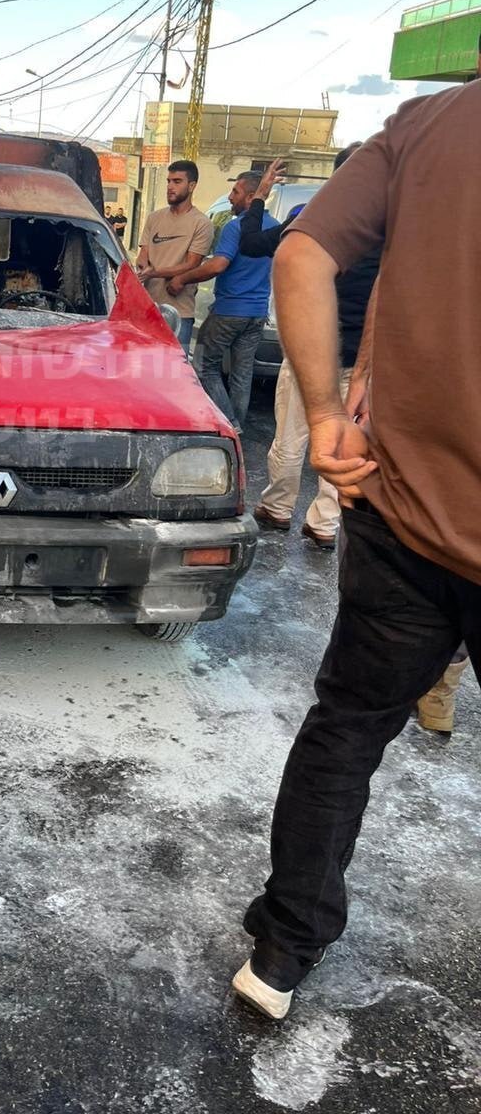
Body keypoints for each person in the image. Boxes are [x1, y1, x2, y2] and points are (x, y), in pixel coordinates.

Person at [231, 82, 481, 1022]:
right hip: (406, 512)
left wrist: (329, 412)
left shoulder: (428, 126)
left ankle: (283, 950)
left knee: (345, 730)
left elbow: (304, 253)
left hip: (404, 514)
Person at [250, 148, 379, 550]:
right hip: (361, 359)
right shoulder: (393, 232)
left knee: (291, 438)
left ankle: (277, 507)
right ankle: (324, 525)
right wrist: (366, 372)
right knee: (342, 444)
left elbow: (254, 244)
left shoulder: (310, 222)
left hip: (312, 357)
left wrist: (261, 196)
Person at [170, 171, 277, 429]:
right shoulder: (275, 226)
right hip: (257, 313)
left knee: (204, 364)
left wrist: (182, 279)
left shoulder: (236, 226)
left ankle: (229, 423)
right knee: (242, 373)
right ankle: (236, 427)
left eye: (236, 192)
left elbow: (218, 265)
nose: (230, 197)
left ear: (253, 196)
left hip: (230, 310)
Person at [135, 160, 214, 354]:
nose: (170, 187)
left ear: (192, 186)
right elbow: (143, 252)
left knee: (174, 373)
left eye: (177, 181)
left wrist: (154, 273)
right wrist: (142, 266)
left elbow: (192, 263)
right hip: (147, 309)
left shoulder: (201, 223)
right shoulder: (154, 217)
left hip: (179, 313)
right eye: (169, 181)